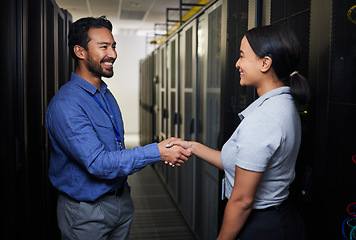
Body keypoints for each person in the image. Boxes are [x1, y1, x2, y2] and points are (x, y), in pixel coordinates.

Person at [46, 16, 190, 240]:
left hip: (120, 203)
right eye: (103, 47)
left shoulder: (105, 94)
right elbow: (98, 163)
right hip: (87, 214)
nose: (112, 54)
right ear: (80, 52)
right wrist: (157, 152)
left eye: (113, 46)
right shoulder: (67, 105)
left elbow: (116, 149)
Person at [167, 24, 310, 240]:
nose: (237, 63)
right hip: (278, 218)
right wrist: (192, 146)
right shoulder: (282, 103)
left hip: (262, 226)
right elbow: (241, 164)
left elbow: (242, 200)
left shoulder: (264, 119)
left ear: (265, 63)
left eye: (242, 56)